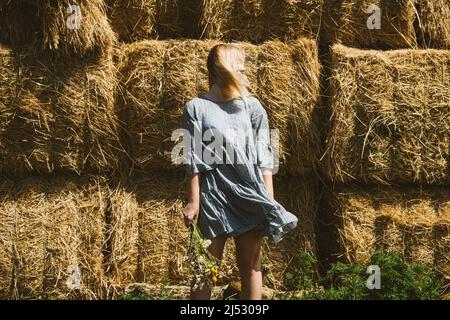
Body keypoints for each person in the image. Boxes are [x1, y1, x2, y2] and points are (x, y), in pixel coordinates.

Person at [180, 43, 298, 300]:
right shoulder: (195, 108)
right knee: (204, 270)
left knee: (251, 267)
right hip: (213, 194)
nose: (245, 71)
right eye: (241, 66)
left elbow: (266, 156)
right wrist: (193, 201)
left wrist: (269, 198)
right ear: (221, 69)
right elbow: (192, 157)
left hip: (248, 191)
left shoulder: (252, 107)